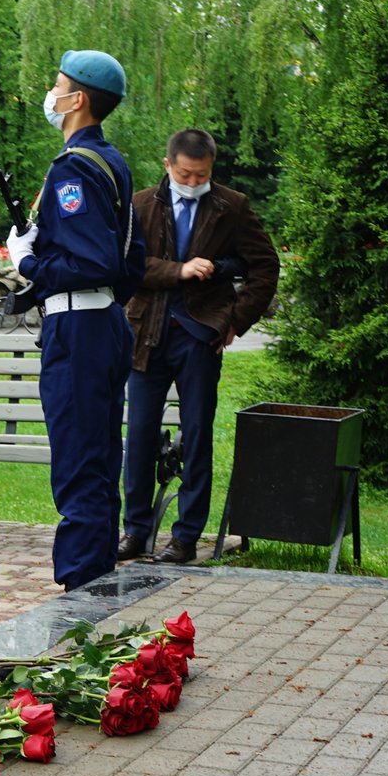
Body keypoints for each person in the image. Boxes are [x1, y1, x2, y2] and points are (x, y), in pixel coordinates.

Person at [5, 50, 147, 590]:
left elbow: (96, 260)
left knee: (79, 461)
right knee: (97, 458)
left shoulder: (74, 168)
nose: (52, 93)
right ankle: (95, 578)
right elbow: (127, 263)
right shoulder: (112, 162)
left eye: (58, 85)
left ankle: (81, 592)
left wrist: (28, 262)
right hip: (104, 323)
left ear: (78, 99)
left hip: (80, 331)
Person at [117, 129, 278, 565]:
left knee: (198, 433)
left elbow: (265, 266)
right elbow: (127, 265)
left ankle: (185, 537)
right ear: (168, 165)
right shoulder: (141, 204)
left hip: (200, 335)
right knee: (141, 433)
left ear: (211, 169)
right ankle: (135, 530)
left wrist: (236, 321)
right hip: (145, 334)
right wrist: (180, 270)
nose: (193, 183)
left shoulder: (233, 206)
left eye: (201, 175)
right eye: (185, 174)